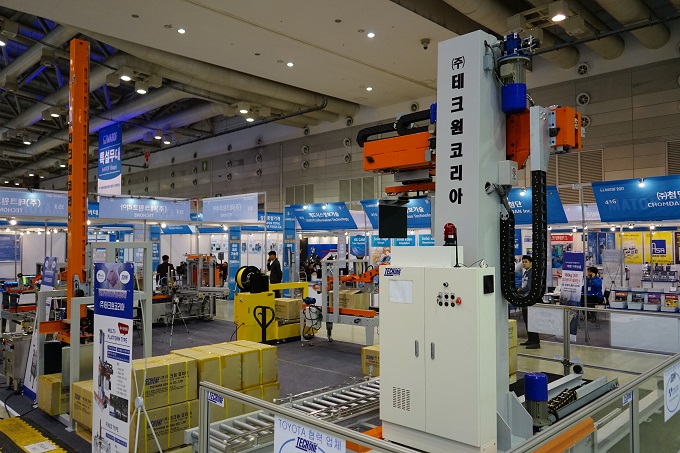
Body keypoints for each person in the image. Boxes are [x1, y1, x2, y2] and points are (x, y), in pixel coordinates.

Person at [518, 255, 540, 349]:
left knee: (531, 321)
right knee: (527, 321)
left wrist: (519, 291)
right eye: (523, 262)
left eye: (526, 262)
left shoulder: (532, 273)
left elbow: (529, 286)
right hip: (525, 299)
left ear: (531, 263)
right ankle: (530, 339)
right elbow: (523, 284)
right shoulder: (526, 273)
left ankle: (535, 341)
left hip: (530, 300)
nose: (524, 264)